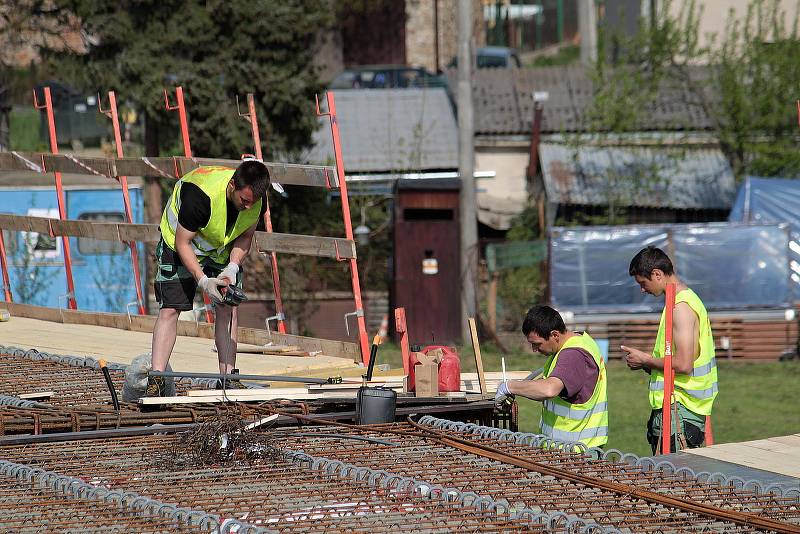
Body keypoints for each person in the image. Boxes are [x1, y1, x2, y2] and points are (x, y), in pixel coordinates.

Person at [145, 160, 270, 398]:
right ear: (233, 185)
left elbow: (245, 236)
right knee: (171, 309)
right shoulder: (200, 196)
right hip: (179, 244)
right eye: (244, 201)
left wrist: (232, 267)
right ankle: (157, 378)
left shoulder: (256, 201)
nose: (247, 207)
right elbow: (183, 242)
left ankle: (228, 378)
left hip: (220, 249)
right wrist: (203, 281)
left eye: (252, 203)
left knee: (227, 307)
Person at [621, 246, 718, 454]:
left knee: (672, 482)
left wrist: (646, 360)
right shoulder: (681, 301)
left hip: (679, 412)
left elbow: (684, 364)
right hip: (679, 409)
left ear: (657, 274)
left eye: (642, 283)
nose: (642, 290)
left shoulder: (680, 307)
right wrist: (648, 365)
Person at [495, 305, 608, 449]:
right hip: (572, 450)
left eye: (537, 344)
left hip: (575, 453)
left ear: (554, 335)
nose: (535, 350)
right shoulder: (579, 341)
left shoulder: (573, 354)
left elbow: (549, 389)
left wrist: (509, 387)